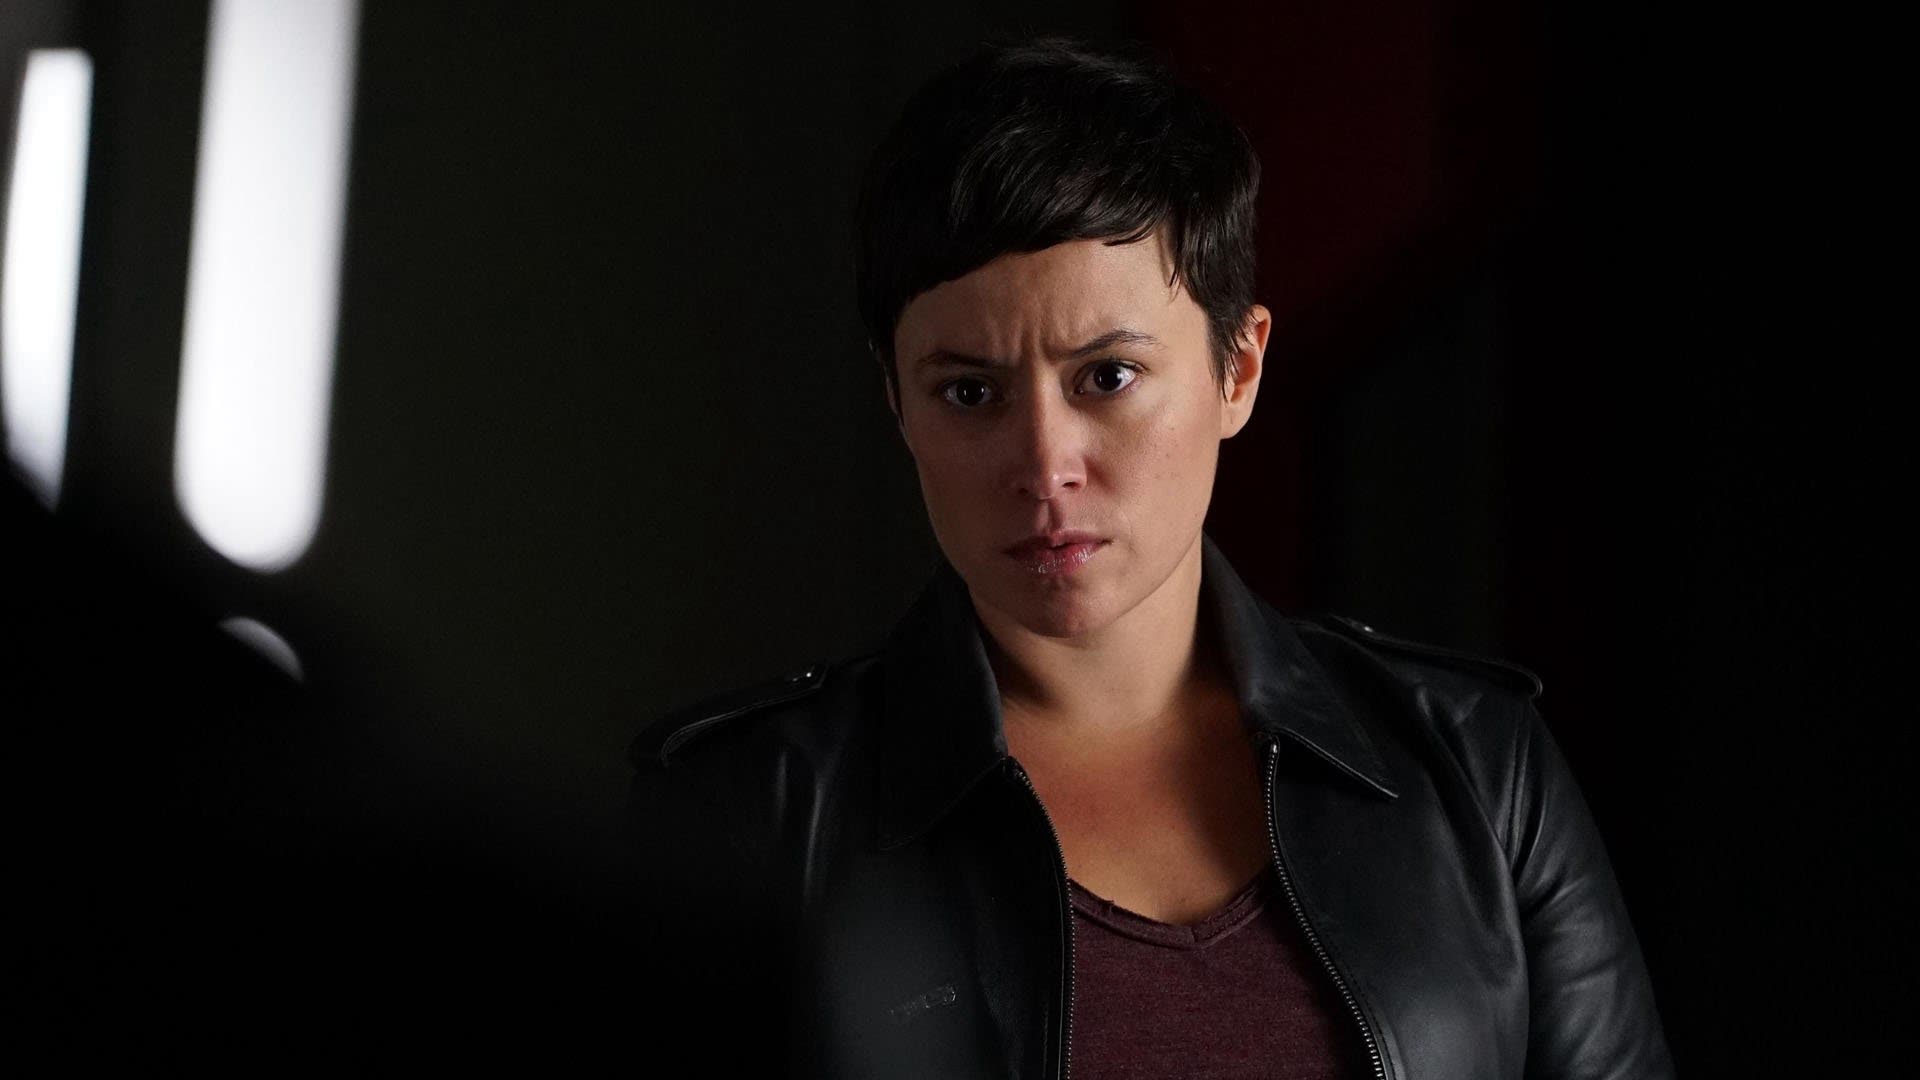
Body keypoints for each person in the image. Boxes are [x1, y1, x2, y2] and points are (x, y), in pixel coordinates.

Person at [626, 37, 1674, 1079]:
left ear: (1237, 370)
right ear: (898, 404)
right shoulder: (749, 818)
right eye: (970, 392)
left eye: (1108, 377)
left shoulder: (1479, 770)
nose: (1045, 466)